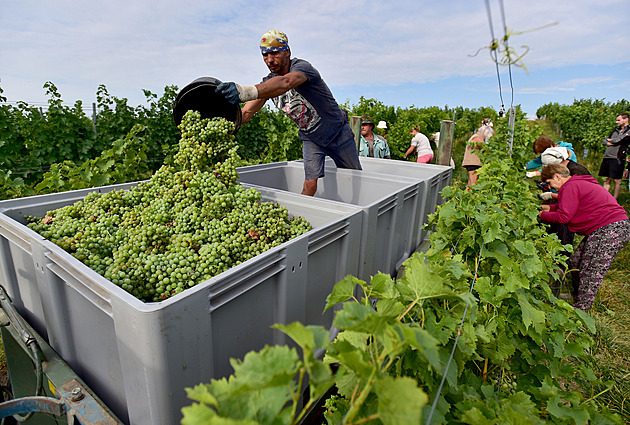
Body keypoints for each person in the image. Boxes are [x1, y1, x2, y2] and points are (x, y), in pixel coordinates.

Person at [215, 29, 361, 196]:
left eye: (275, 53)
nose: (270, 60)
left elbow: (285, 82)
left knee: (354, 180)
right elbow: (246, 113)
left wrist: (244, 91)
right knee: (310, 185)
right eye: (265, 55)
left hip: (338, 134)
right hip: (312, 138)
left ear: (287, 52)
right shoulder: (268, 85)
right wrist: (221, 129)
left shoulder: (302, 68)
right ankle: (300, 218)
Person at [539, 163, 630, 311]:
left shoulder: (570, 187)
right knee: (576, 263)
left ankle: (581, 310)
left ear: (557, 176)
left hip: (610, 228)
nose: (551, 187)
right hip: (606, 227)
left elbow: (564, 216)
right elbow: (570, 206)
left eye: (550, 183)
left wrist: (542, 214)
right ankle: (576, 296)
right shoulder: (576, 183)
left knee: (591, 269)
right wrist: (548, 208)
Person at [598, 113, 630, 199]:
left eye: (618, 120)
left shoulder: (628, 131)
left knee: (617, 180)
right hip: (607, 157)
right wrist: (611, 141)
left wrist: (611, 141)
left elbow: (621, 140)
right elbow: (604, 141)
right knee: (607, 178)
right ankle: (604, 198)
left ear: (626, 120)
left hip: (617, 158)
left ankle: (614, 200)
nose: (616, 122)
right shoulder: (615, 131)